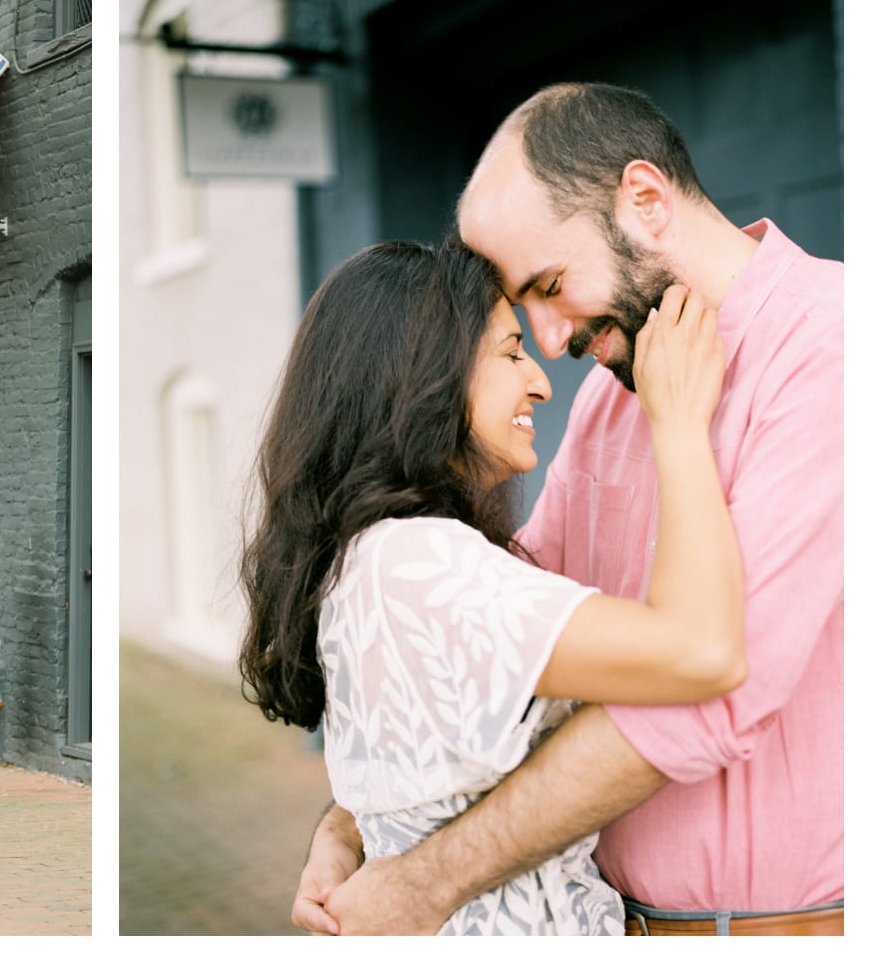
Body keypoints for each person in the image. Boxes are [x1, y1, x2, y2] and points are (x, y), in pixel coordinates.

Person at [295, 83, 843, 936]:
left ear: (646, 200)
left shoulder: (832, 347)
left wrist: (423, 879)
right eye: (523, 314)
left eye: (550, 286)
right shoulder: (609, 396)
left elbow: (709, 692)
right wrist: (356, 815)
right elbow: (508, 655)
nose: (551, 343)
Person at [240, 237, 744, 934]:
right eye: (510, 352)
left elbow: (428, 770)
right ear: (425, 377)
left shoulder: (372, 557)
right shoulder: (418, 561)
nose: (539, 381)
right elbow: (700, 651)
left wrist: (342, 831)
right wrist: (681, 424)